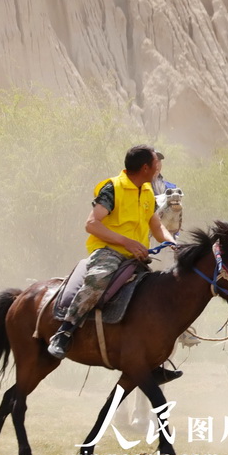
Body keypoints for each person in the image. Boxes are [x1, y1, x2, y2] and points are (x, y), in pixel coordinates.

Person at [47, 145, 179, 363]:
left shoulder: (147, 192)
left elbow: (156, 227)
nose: (159, 168)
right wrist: (126, 242)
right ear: (146, 167)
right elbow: (91, 224)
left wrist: (173, 241)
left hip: (136, 256)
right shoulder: (112, 188)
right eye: (156, 163)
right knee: (97, 281)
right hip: (109, 252)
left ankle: (150, 357)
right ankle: (64, 332)